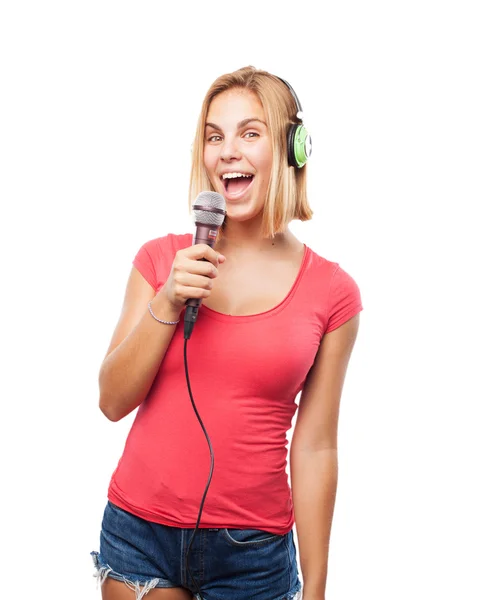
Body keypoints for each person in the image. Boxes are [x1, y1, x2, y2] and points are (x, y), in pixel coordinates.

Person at [91, 65, 363, 600]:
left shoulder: (334, 292)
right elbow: (111, 400)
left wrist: (317, 589)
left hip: (254, 554)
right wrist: (168, 300)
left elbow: (314, 447)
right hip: (139, 535)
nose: (228, 151)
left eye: (250, 133)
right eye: (215, 136)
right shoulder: (160, 260)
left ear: (293, 150)